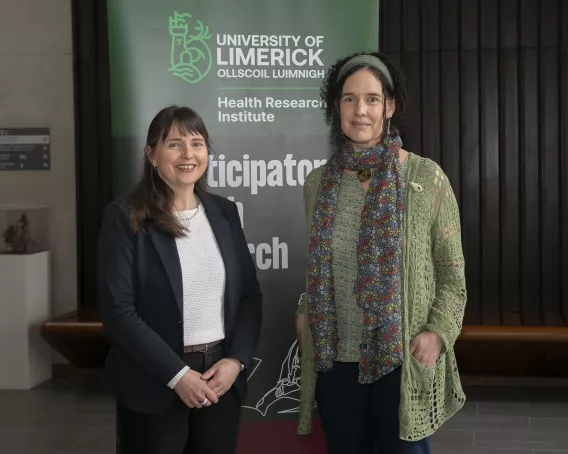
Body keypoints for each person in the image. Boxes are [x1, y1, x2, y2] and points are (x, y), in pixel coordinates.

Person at [295, 52, 467, 453]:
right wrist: (306, 309)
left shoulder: (425, 178)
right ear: (335, 106)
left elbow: (452, 274)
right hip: (335, 358)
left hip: (401, 357)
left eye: (372, 99)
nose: (361, 111)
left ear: (390, 106)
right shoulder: (317, 183)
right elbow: (321, 267)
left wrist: (437, 334)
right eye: (349, 99)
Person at [98, 105, 263, 454]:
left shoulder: (224, 212)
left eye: (197, 143)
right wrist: (177, 375)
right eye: (174, 144)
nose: (188, 154)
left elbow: (249, 295)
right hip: (153, 383)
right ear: (151, 155)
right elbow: (119, 311)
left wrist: (235, 361)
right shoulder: (125, 217)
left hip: (220, 382)